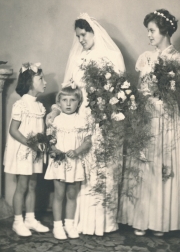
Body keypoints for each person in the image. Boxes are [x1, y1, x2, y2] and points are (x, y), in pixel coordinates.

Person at [46, 13, 126, 236]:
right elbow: (67, 92)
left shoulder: (111, 54)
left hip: (103, 117)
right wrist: (55, 111)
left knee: (101, 167)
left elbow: (119, 91)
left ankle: (102, 223)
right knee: (79, 167)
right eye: (78, 36)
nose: (81, 40)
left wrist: (106, 112)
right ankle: (75, 222)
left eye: (84, 35)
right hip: (79, 118)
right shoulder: (78, 57)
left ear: (93, 32)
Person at [118, 9, 180, 236]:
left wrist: (164, 91)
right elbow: (140, 91)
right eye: (148, 31)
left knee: (162, 165)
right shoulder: (145, 58)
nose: (149, 35)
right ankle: (140, 219)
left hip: (167, 120)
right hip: (146, 117)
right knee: (143, 164)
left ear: (165, 30)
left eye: (152, 30)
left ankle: (160, 222)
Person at [4, 62, 49, 237]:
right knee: (22, 186)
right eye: (41, 79)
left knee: (32, 184)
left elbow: (40, 130)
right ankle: (17, 221)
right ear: (30, 82)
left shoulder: (39, 106)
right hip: (24, 151)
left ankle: (30, 219)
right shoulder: (20, 105)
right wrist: (31, 143)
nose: (45, 82)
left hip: (35, 152)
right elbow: (13, 130)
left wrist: (43, 142)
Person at [44, 83, 92, 240]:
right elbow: (50, 139)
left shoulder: (82, 121)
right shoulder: (56, 120)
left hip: (74, 162)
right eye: (65, 100)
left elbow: (87, 141)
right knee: (59, 194)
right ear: (59, 102)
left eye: (72, 100)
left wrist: (77, 151)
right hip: (59, 162)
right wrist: (54, 148)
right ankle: (58, 226)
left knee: (72, 194)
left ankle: (69, 225)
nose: (69, 104)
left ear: (78, 102)